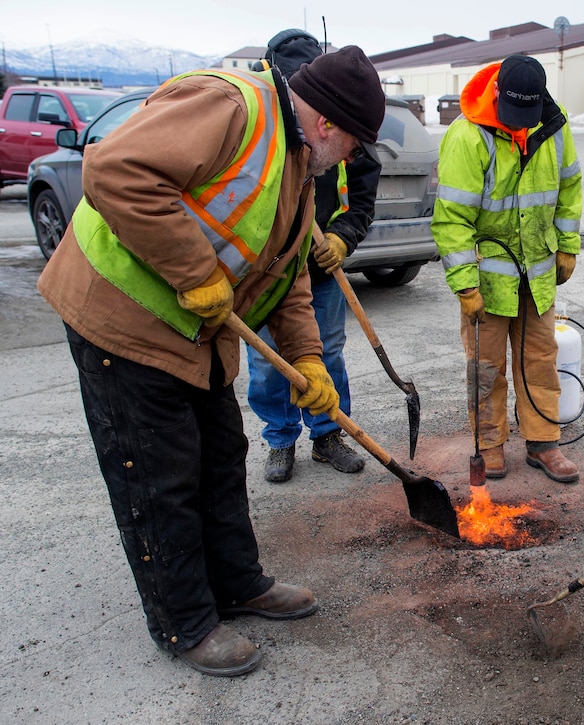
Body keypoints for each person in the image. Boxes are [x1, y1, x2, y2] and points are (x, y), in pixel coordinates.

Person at [37, 46, 386, 677]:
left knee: (221, 459)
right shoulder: (232, 108)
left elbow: (290, 274)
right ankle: (185, 622)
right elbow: (115, 171)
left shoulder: (298, 166)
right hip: (124, 317)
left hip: (195, 334)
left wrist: (308, 359)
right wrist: (196, 271)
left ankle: (237, 583)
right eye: (357, 144)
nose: (354, 159)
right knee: (160, 476)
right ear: (330, 123)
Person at [432, 55, 582, 484]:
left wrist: (567, 245)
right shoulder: (467, 137)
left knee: (540, 359)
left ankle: (543, 443)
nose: (519, 125)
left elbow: (570, 185)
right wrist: (464, 285)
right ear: (496, 92)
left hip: (537, 273)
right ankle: (491, 444)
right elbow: (452, 219)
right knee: (486, 366)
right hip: (486, 278)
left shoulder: (553, 126)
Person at [246, 29, 380, 483]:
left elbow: (362, 197)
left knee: (327, 352)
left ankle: (327, 434)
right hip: (267, 267)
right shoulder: (264, 120)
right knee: (268, 360)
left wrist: (343, 237)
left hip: (321, 266)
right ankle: (280, 439)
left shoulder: (343, 124)